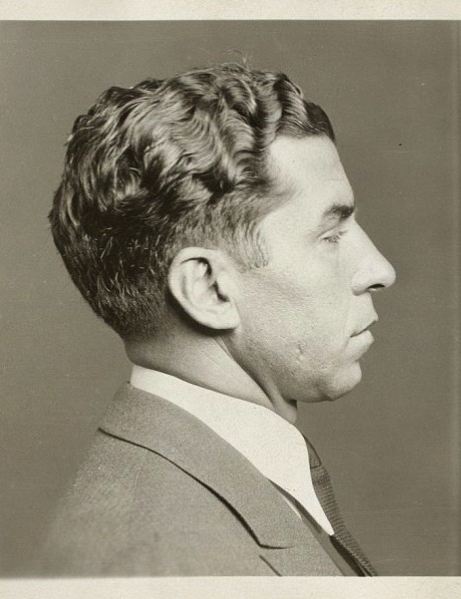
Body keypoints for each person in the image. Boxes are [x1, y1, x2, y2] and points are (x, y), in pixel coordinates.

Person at [37, 63, 395, 576]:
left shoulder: (204, 487)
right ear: (207, 288)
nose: (381, 270)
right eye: (331, 236)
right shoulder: (167, 560)